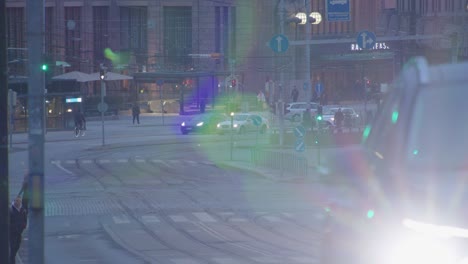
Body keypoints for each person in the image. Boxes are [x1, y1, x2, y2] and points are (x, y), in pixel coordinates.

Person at [10, 196, 27, 264]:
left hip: (19, 232)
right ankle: (12, 260)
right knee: (12, 248)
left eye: (19, 201)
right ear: (14, 201)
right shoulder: (11, 210)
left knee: (17, 246)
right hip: (12, 232)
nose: (18, 202)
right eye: (17, 201)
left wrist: (24, 226)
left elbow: (24, 220)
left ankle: (12, 257)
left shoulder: (23, 210)